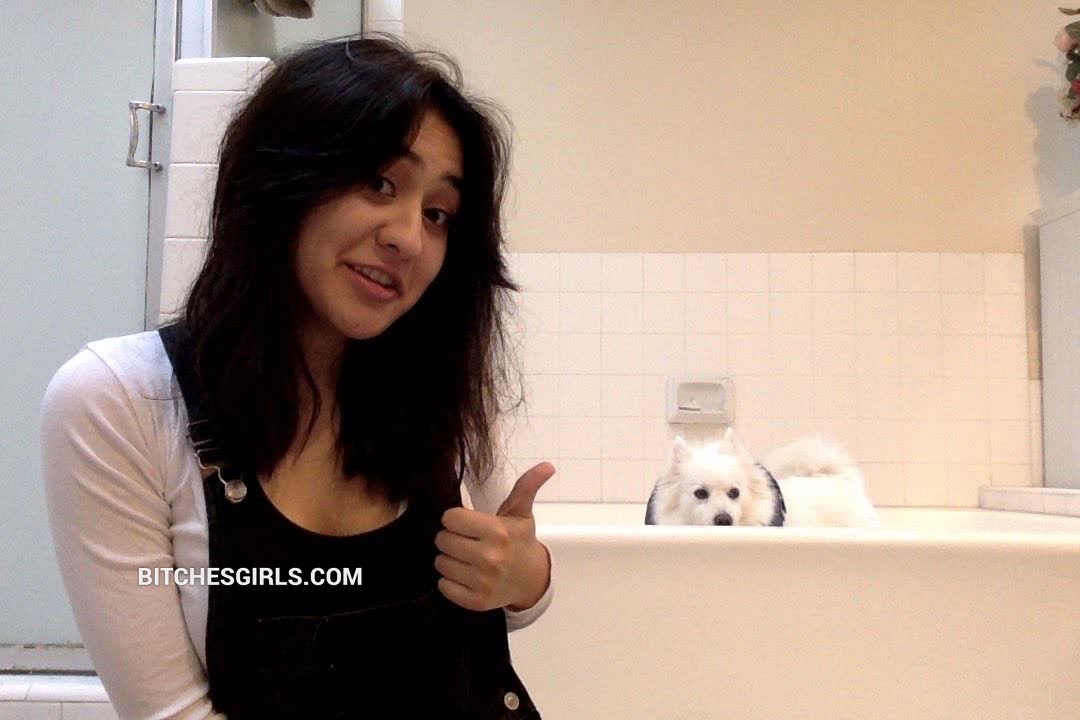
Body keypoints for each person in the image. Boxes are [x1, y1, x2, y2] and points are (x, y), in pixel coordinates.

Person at [40, 35, 554, 719]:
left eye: (438, 214)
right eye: (379, 183)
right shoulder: (118, 401)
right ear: (281, 179)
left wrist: (527, 577)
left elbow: (511, 585)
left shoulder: (437, 386)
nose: (409, 238)